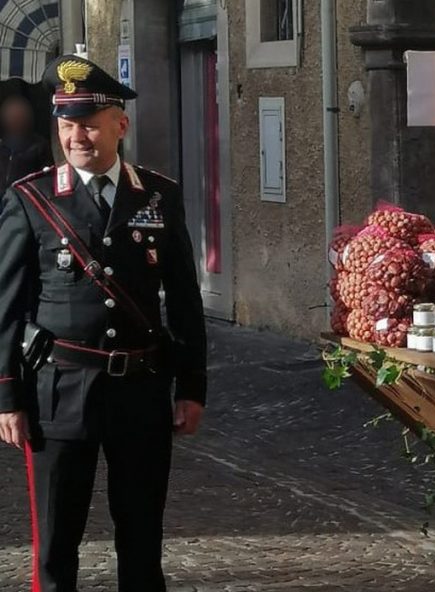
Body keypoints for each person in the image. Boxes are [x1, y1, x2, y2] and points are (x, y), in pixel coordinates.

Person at [0, 55, 207, 591]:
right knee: (55, 544)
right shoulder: (33, 199)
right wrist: (8, 397)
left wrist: (191, 387)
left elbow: (183, 298)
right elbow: (7, 307)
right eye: (67, 125)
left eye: (90, 123)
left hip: (140, 389)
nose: (78, 136)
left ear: (121, 124)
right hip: (59, 393)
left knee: (141, 539)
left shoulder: (160, 196)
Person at [0, 94, 52, 193]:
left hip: (26, 198)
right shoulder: (2, 145)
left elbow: (46, 176)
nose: (16, 120)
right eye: (11, 116)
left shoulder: (40, 146)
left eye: (20, 116)